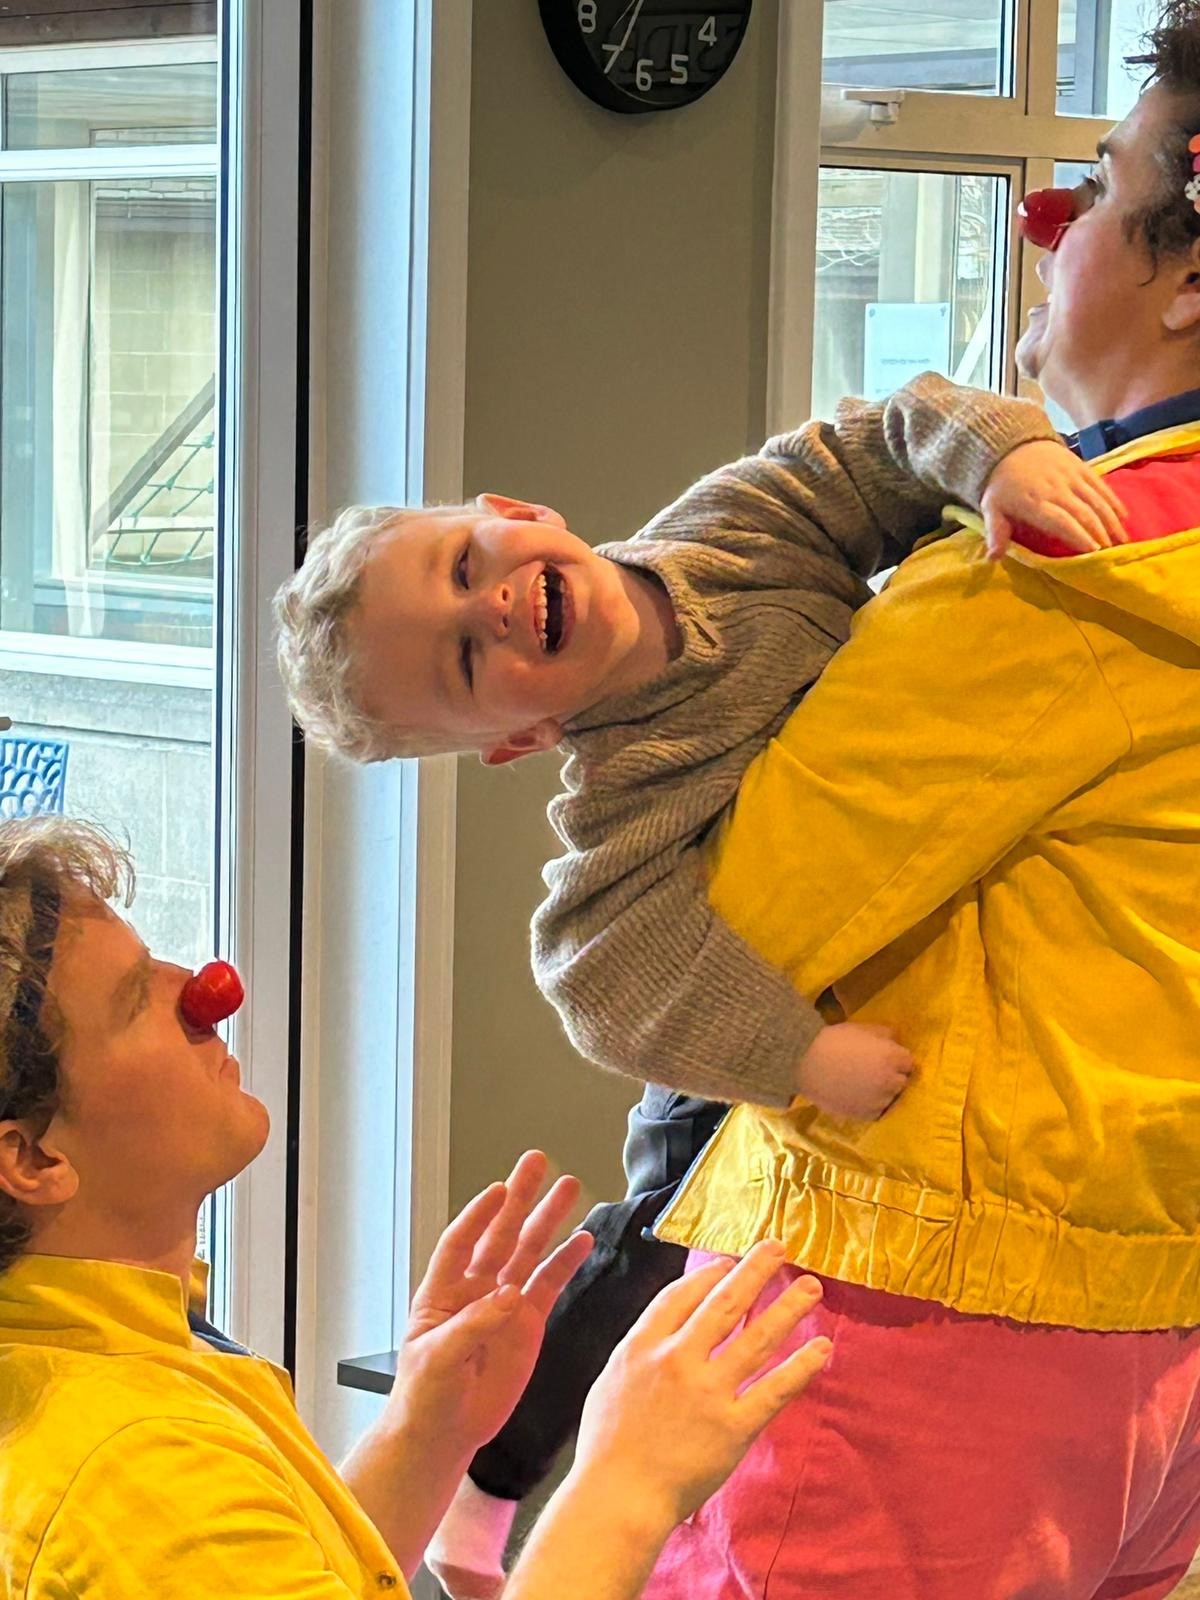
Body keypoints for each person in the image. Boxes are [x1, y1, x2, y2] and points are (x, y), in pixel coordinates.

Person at [274, 375, 1122, 1594]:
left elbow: (879, 439)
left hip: (871, 957)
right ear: (513, 744)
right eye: (467, 661)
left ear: (516, 508)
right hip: (724, 1070)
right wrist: (796, 1059)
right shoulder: (625, 790)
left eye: (469, 562)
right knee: (659, 1255)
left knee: (655, 1260)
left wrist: (999, 461)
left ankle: (497, 1479)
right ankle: (500, 1481)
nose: (501, 608)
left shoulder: (730, 530)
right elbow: (596, 965)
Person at [629, 9, 1200, 1598]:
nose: (1047, 231)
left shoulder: (1054, 581)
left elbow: (733, 938)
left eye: (1088, 191)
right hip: (1159, 1348)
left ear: (1189, 280)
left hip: (902, 1330)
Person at [0, 814, 834, 1600]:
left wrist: (429, 1428)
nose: (206, 992)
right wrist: (628, 1484)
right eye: (137, 996)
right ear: (32, 1158)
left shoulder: (119, 1357)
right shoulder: (129, 1473)